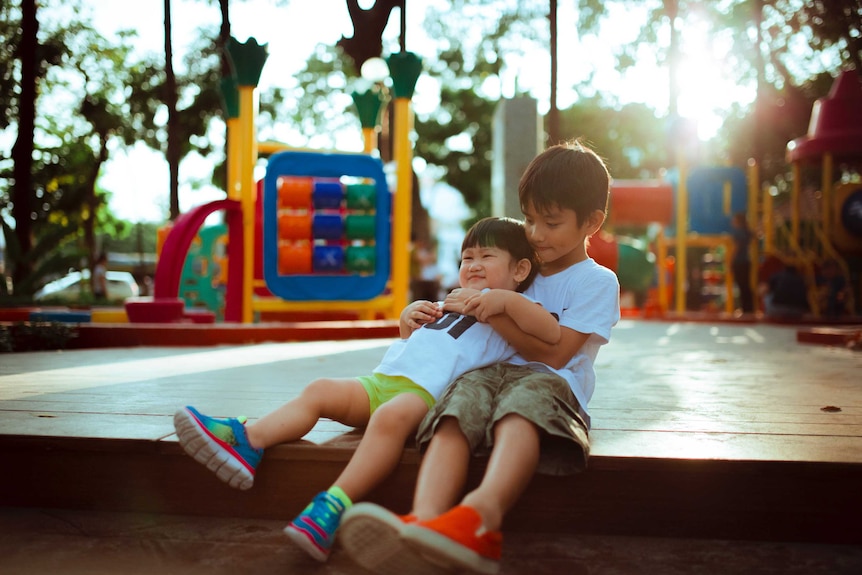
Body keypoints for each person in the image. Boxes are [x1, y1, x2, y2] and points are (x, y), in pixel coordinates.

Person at [172, 217, 561, 562]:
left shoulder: (513, 310)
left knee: (390, 418)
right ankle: (249, 441)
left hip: (424, 396)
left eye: (486, 257)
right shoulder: (452, 300)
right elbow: (422, 342)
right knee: (320, 389)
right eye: (466, 258)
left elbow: (549, 331)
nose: (473, 265)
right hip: (381, 381)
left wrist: (500, 299)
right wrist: (408, 320)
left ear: (520, 269)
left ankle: (332, 506)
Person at [338, 141, 620, 574]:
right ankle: (426, 521)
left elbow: (560, 353)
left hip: (552, 383)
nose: (537, 233)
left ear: (592, 222)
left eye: (552, 222)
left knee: (519, 412)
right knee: (454, 410)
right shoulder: (520, 263)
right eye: (529, 219)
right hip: (487, 373)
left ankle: (479, 519)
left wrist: (496, 305)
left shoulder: (596, 281)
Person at [730, 212, 754, 314]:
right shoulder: (747, 232)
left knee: (741, 285)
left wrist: (730, 260)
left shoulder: (737, 232)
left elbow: (736, 247)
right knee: (746, 286)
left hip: (739, 262)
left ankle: (745, 309)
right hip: (746, 261)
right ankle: (749, 308)